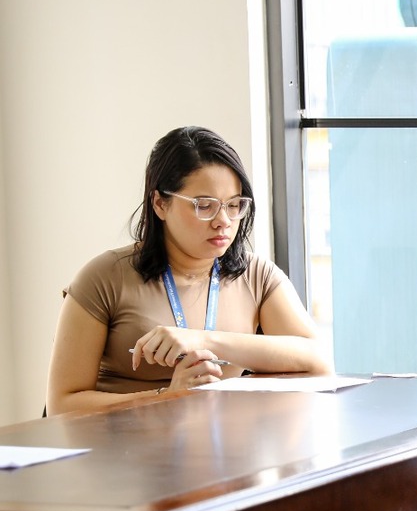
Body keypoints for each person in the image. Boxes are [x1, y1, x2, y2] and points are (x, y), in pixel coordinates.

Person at [46, 125, 330, 414]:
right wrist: (166, 397)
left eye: (233, 205)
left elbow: (319, 361)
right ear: (160, 204)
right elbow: (61, 405)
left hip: (221, 439)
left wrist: (204, 340)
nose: (223, 221)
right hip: (127, 440)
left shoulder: (256, 275)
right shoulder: (104, 278)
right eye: (204, 206)